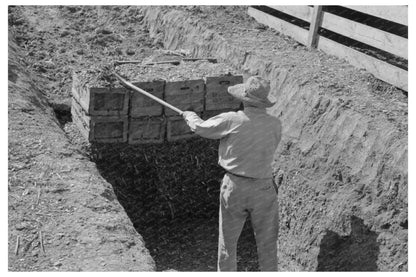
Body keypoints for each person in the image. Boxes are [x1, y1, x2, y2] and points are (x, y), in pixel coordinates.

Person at [182, 76, 282, 271]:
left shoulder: (232, 119)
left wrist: (189, 115)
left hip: (235, 186)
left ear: (244, 98)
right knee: (268, 244)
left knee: (228, 242)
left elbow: (201, 128)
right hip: (264, 187)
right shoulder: (275, 124)